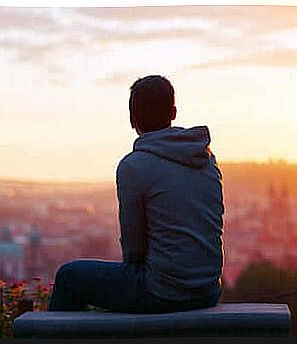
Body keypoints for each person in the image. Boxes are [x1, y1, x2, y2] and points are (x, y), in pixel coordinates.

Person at [48, 75, 224, 313]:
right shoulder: (206, 159)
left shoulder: (134, 167)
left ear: (132, 120)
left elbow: (134, 248)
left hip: (164, 292)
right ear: (173, 112)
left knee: (68, 277)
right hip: (209, 291)